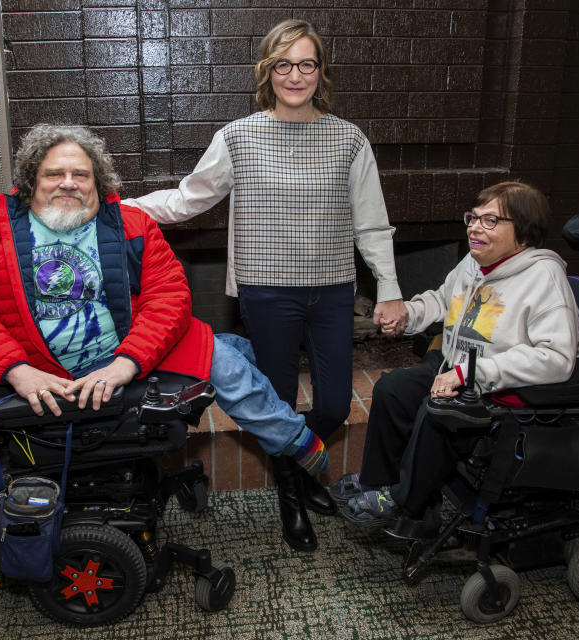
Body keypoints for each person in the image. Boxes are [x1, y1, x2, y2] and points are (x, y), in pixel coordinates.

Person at [0, 124, 331, 551]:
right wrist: (16, 370)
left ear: (97, 183)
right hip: (46, 368)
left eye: (80, 174)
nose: (67, 182)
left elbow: (170, 295)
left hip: (130, 352)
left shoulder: (131, 224)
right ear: (31, 180)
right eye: (54, 174)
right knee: (236, 353)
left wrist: (127, 363)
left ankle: (293, 440)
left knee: (229, 364)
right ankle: (292, 449)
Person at [124, 19, 408, 550]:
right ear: (267, 71)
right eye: (284, 64)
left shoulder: (349, 139)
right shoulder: (238, 136)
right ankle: (291, 495)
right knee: (277, 400)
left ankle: (297, 470)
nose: (295, 75)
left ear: (320, 71)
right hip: (266, 291)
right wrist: (123, 208)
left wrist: (388, 287)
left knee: (332, 403)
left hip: (332, 290)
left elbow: (371, 223)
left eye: (306, 63)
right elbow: (189, 199)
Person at [334, 181, 579, 543]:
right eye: (473, 217)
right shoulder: (475, 260)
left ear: (524, 231)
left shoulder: (544, 278)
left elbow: (557, 358)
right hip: (456, 367)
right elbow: (443, 299)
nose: (475, 227)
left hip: (496, 386)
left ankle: (408, 503)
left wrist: (471, 373)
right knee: (393, 388)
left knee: (435, 409)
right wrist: (407, 314)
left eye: (491, 220)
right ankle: (380, 481)